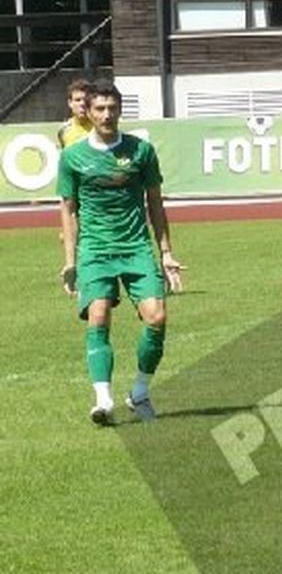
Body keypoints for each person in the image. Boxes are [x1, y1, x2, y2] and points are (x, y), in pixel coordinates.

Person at [57, 80, 185, 425]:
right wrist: (70, 261)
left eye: (112, 108)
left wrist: (166, 252)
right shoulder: (72, 156)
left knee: (156, 317)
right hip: (96, 249)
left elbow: (155, 203)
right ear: (88, 111)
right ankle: (103, 400)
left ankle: (139, 392)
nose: (106, 114)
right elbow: (68, 210)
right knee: (98, 315)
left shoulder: (141, 151)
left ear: (120, 110)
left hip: (135, 247)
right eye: (99, 108)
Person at [57, 78, 94, 149]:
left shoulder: (99, 128)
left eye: (86, 100)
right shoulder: (63, 130)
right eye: (78, 100)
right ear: (70, 103)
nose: (82, 103)